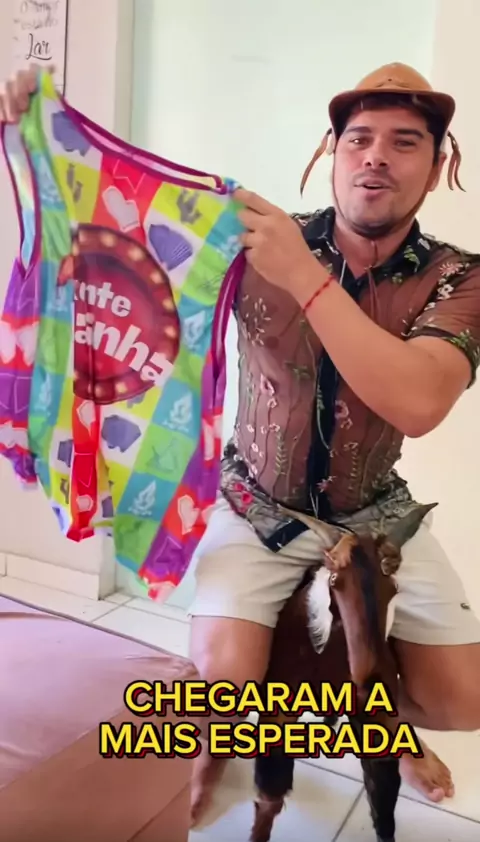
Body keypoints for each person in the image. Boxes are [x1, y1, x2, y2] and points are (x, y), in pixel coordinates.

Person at [2, 62, 480, 821]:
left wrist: (305, 277)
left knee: (464, 700)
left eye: (405, 141)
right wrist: (43, 139)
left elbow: (420, 401)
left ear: (439, 162)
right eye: (358, 138)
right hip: (254, 500)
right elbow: (129, 225)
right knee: (219, 691)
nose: (376, 157)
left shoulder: (460, 278)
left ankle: (384, 725)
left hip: (377, 511)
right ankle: (228, 741)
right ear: (330, 152)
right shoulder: (258, 241)